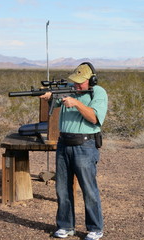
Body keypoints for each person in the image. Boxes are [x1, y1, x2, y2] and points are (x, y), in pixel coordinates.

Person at [40, 62, 108, 240]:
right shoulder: (69, 89)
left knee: (89, 189)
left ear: (91, 80)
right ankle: (65, 226)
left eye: (81, 82)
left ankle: (95, 228)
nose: (77, 85)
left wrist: (76, 103)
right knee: (62, 188)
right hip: (64, 144)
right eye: (75, 82)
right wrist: (49, 98)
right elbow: (54, 105)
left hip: (85, 146)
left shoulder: (99, 92)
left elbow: (94, 118)